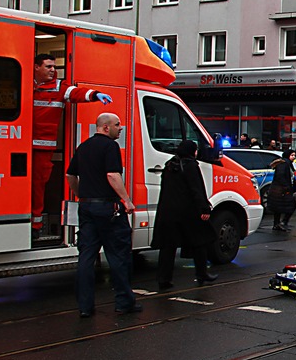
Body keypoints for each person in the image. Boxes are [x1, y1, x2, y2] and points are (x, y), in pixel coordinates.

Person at [31, 54, 112, 237]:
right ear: (36, 67)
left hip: (43, 146)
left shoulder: (59, 87)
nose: (53, 70)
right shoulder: (23, 82)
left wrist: (95, 95)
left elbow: (76, 93)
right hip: (19, 143)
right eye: (48, 66)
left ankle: (34, 226)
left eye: (53, 67)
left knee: (38, 185)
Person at [66, 113, 138, 317]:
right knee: (118, 255)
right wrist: (126, 200)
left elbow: (70, 175)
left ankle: (85, 306)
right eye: (117, 125)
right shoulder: (110, 147)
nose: (120, 128)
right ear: (106, 128)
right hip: (108, 208)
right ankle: (124, 302)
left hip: (87, 207)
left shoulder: (84, 146)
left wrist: (81, 194)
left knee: (86, 257)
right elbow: (112, 175)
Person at [151, 140, 217, 291]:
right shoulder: (191, 165)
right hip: (188, 212)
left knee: (168, 247)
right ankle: (202, 273)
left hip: (168, 212)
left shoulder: (169, 165)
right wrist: (204, 209)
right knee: (200, 241)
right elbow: (196, 189)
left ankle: (164, 279)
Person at [268, 151, 296, 231]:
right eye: (292, 155)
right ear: (288, 156)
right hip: (281, 190)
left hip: (281, 190)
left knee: (278, 208)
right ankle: (282, 222)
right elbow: (281, 176)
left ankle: (277, 224)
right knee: (291, 205)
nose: (294, 157)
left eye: (294, 155)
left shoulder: (288, 164)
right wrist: (286, 187)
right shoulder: (284, 164)